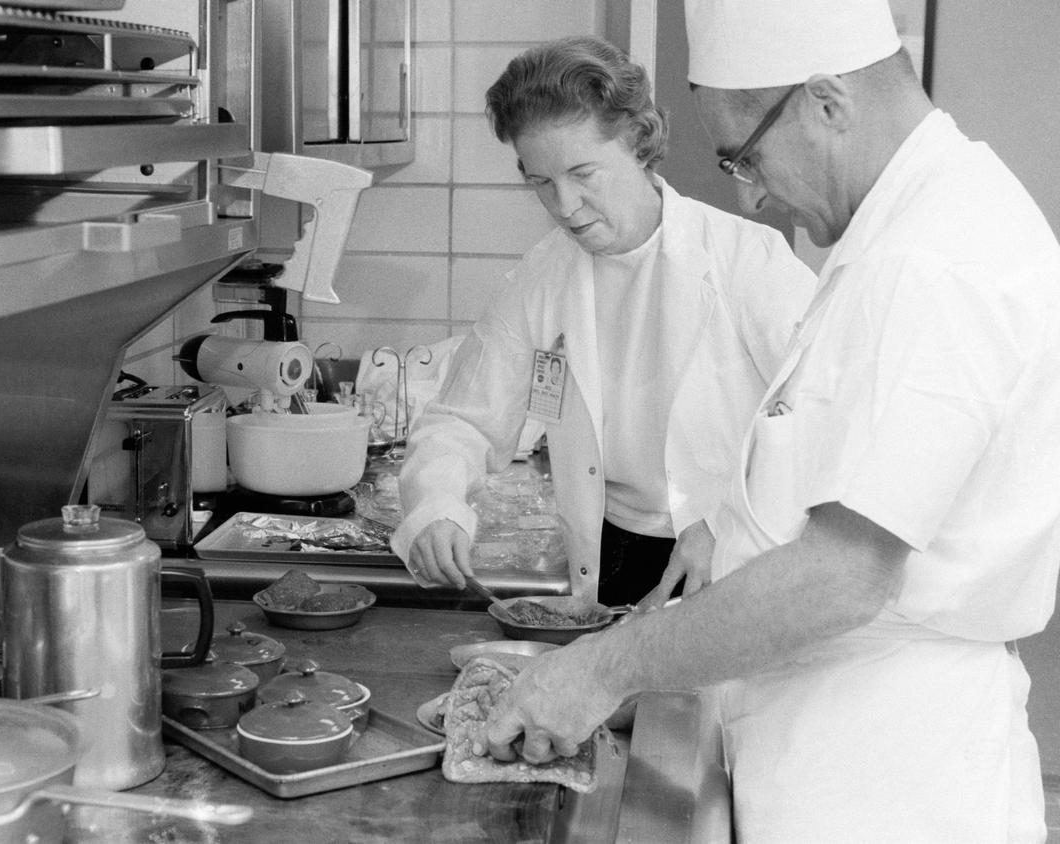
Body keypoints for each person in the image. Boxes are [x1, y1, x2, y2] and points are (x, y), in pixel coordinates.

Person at [479, 3, 1060, 841]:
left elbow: (845, 574)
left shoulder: (928, 265)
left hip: (880, 780)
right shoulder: (916, 227)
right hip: (847, 744)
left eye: (745, 156)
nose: (749, 191)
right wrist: (735, 522)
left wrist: (605, 668)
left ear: (828, 102)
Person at [388, 36, 815, 608]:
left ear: (639, 142)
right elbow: (465, 419)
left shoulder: (748, 261)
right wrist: (436, 504)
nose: (565, 205)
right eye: (541, 182)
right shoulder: (544, 276)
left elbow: (826, 420)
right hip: (612, 553)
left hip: (734, 552)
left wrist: (728, 522)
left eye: (583, 172)